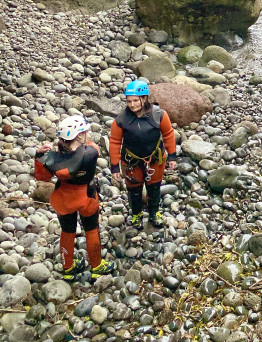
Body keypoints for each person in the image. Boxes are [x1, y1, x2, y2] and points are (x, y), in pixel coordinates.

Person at [35, 116, 115, 281]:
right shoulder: (90, 152)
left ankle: (68, 267)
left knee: (67, 231)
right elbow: (92, 148)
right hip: (86, 197)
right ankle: (96, 266)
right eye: (85, 132)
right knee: (91, 229)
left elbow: (42, 177)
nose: (89, 134)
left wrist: (40, 155)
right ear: (78, 136)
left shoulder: (55, 159)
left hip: (63, 198)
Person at [109, 79, 177, 228]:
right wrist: (115, 167)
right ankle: (136, 214)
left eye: (135, 100)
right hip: (131, 161)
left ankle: (154, 212)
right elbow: (115, 142)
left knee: (154, 187)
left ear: (144, 98)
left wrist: (172, 156)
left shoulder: (159, 115)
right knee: (134, 189)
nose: (132, 105)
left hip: (155, 159)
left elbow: (168, 134)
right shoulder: (121, 120)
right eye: (129, 101)